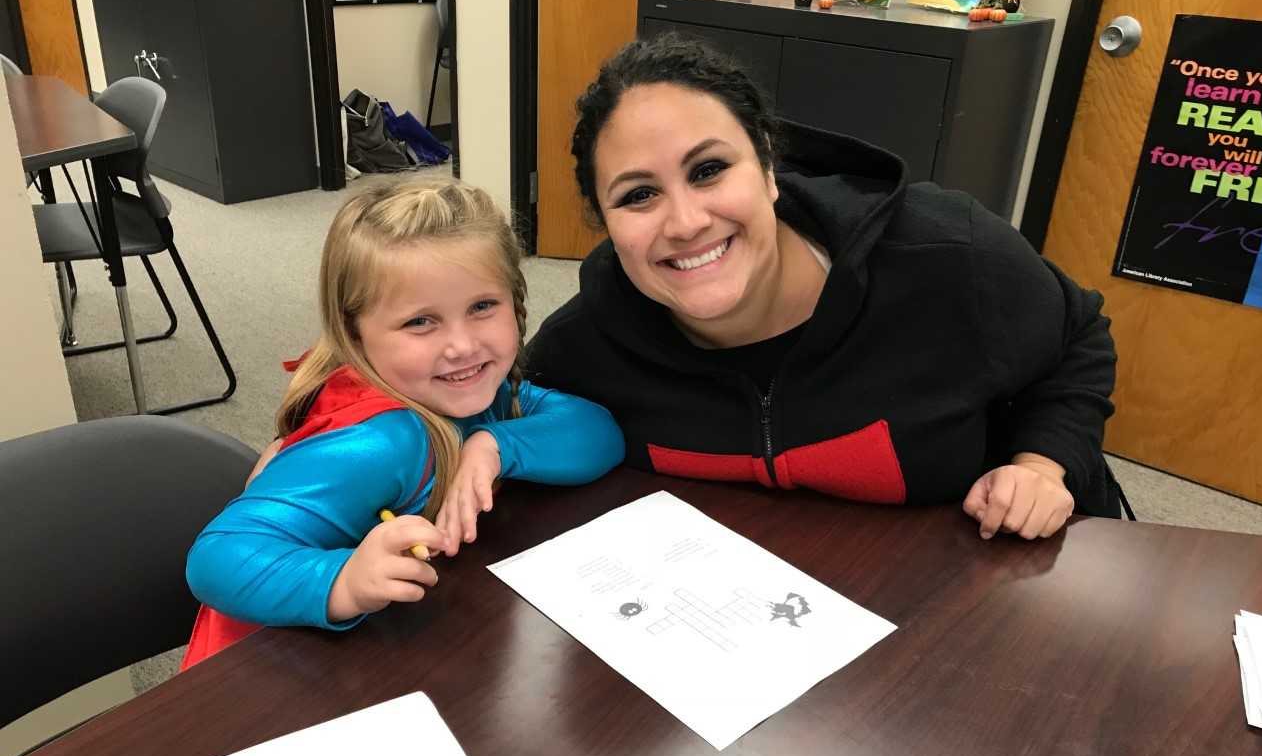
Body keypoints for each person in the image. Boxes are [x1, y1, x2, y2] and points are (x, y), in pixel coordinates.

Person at [526, 35, 1120, 542]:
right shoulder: (583, 346)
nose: (684, 223)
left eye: (708, 170)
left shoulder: (947, 257)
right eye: (637, 195)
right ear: (607, 225)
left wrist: (1042, 466)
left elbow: (1078, 335)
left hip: (977, 597)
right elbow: (484, 418)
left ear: (766, 168)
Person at [183, 179, 624, 669]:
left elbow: (598, 432)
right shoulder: (384, 440)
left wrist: (494, 443)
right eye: (421, 322)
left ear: (515, 302)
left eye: (482, 307)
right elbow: (216, 558)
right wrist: (342, 580)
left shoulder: (472, 393)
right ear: (355, 335)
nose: (461, 346)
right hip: (259, 680)